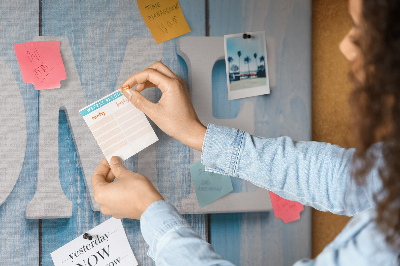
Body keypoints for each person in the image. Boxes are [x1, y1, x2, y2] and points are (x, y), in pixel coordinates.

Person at [91, 0, 400, 264]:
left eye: (364, 31)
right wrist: (196, 134)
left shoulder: (385, 247)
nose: (346, 47)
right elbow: (342, 178)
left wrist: (149, 211)